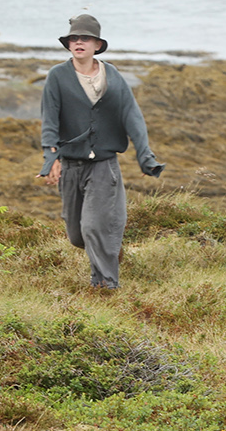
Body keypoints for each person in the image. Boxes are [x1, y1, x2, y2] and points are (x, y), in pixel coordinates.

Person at [37, 14, 164, 289]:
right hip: (71, 164)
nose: (78, 42)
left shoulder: (113, 75)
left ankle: (106, 285)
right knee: (77, 234)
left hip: (104, 165)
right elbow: (50, 121)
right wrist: (52, 158)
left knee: (95, 226)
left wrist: (145, 156)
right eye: (74, 38)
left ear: (97, 44)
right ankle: (105, 257)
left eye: (85, 38)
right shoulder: (58, 76)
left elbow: (132, 115)